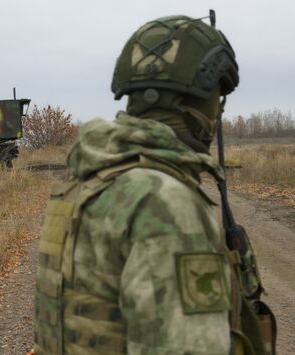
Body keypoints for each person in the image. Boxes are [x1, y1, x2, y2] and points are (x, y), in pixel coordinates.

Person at [33, 14, 276, 354]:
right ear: (197, 100)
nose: (218, 113)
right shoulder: (163, 202)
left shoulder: (84, 183)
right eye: (217, 98)